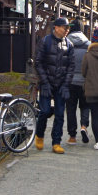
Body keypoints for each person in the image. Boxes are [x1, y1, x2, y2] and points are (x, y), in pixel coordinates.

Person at [35, 17, 75, 154]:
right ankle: (39, 135)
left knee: (59, 114)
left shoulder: (69, 44)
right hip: (47, 82)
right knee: (45, 111)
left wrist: (66, 85)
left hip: (61, 83)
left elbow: (71, 67)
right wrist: (44, 82)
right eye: (65, 27)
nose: (67, 30)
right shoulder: (45, 41)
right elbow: (38, 63)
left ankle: (56, 142)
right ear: (56, 28)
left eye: (68, 28)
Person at [65, 19, 91, 144]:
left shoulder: (65, 43)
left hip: (70, 81)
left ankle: (72, 136)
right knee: (85, 106)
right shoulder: (88, 44)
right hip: (85, 81)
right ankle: (84, 126)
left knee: (71, 108)